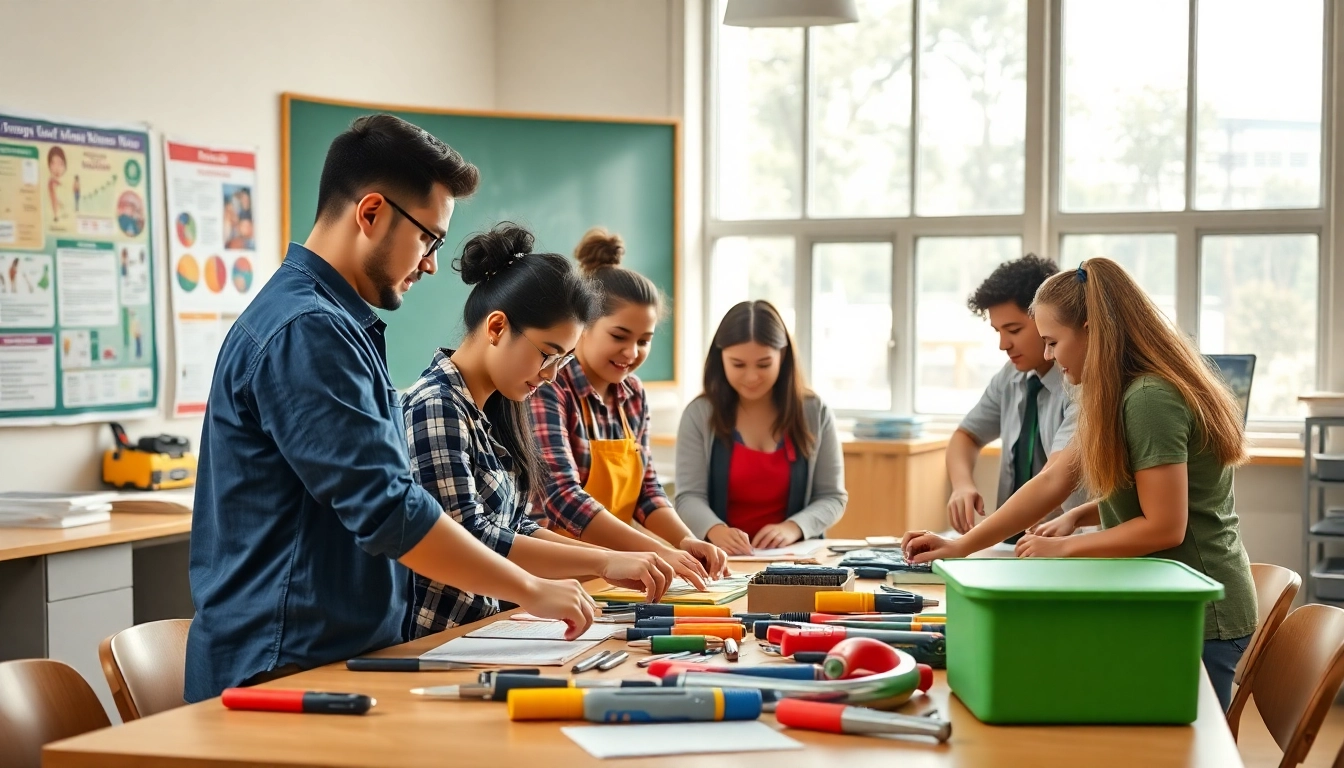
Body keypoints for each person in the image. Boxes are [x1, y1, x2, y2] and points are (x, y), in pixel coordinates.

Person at [185, 114, 595, 703]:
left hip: (329, 660)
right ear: (372, 212)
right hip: (283, 668)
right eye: (429, 238)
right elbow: (387, 508)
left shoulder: (335, 322)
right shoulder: (308, 329)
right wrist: (530, 588)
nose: (429, 263)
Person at [902, 258, 1256, 712]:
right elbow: (1057, 479)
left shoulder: (1150, 398)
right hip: (1166, 602)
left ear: (1093, 331)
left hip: (1202, 615)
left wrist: (1063, 548)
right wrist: (964, 545)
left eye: (1053, 341)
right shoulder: (1115, 391)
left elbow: (1166, 526)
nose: (1048, 355)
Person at [405, 224, 676, 634]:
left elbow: (516, 526)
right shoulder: (435, 405)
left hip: (490, 630)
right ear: (497, 328)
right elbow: (471, 538)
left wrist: (610, 561)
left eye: (563, 360)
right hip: (439, 636)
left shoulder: (502, 404)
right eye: (548, 355)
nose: (551, 375)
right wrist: (603, 560)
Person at [530, 228, 727, 582]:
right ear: (583, 326)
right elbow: (562, 498)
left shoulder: (633, 394)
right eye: (619, 336)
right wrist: (658, 551)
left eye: (644, 341)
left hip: (614, 572)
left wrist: (685, 541)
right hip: (551, 575)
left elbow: (647, 492)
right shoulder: (550, 386)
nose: (632, 353)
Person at [675, 300, 847, 555]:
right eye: (738, 364)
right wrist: (716, 530)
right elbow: (688, 497)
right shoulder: (699, 414)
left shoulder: (814, 411)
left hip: (797, 560)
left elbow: (833, 497)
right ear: (720, 358)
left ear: (783, 356)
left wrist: (793, 527)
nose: (752, 377)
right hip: (721, 561)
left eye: (764, 364)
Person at [947, 255, 1085, 542]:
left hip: (1065, 542)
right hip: (1012, 540)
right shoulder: (1010, 376)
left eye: (1013, 330)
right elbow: (966, 436)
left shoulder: (1079, 384)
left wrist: (966, 544)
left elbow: (1052, 480)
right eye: (998, 332)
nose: (1003, 345)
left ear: (1047, 318)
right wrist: (962, 486)